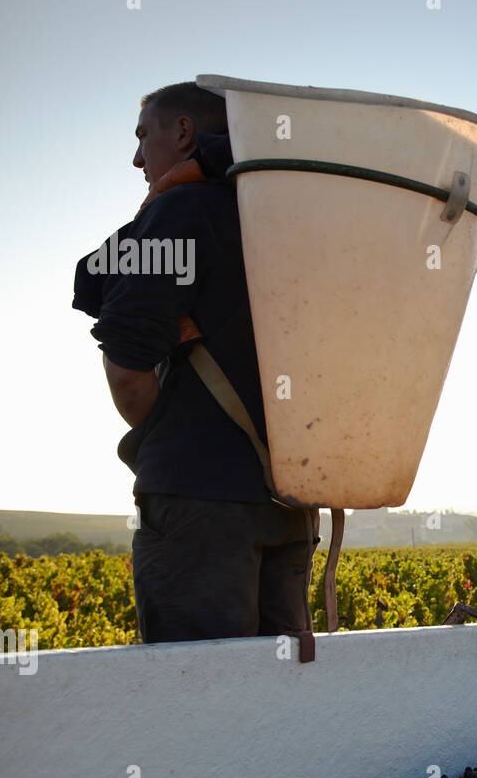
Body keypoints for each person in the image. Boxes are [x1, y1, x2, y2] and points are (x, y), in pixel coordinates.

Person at [72, 81, 317, 643]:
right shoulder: (291, 219)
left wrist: (183, 440)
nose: (137, 158)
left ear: (184, 132)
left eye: (143, 138)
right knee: (277, 691)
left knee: (197, 694)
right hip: (291, 498)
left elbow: (130, 367)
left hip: (199, 507)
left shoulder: (180, 209)